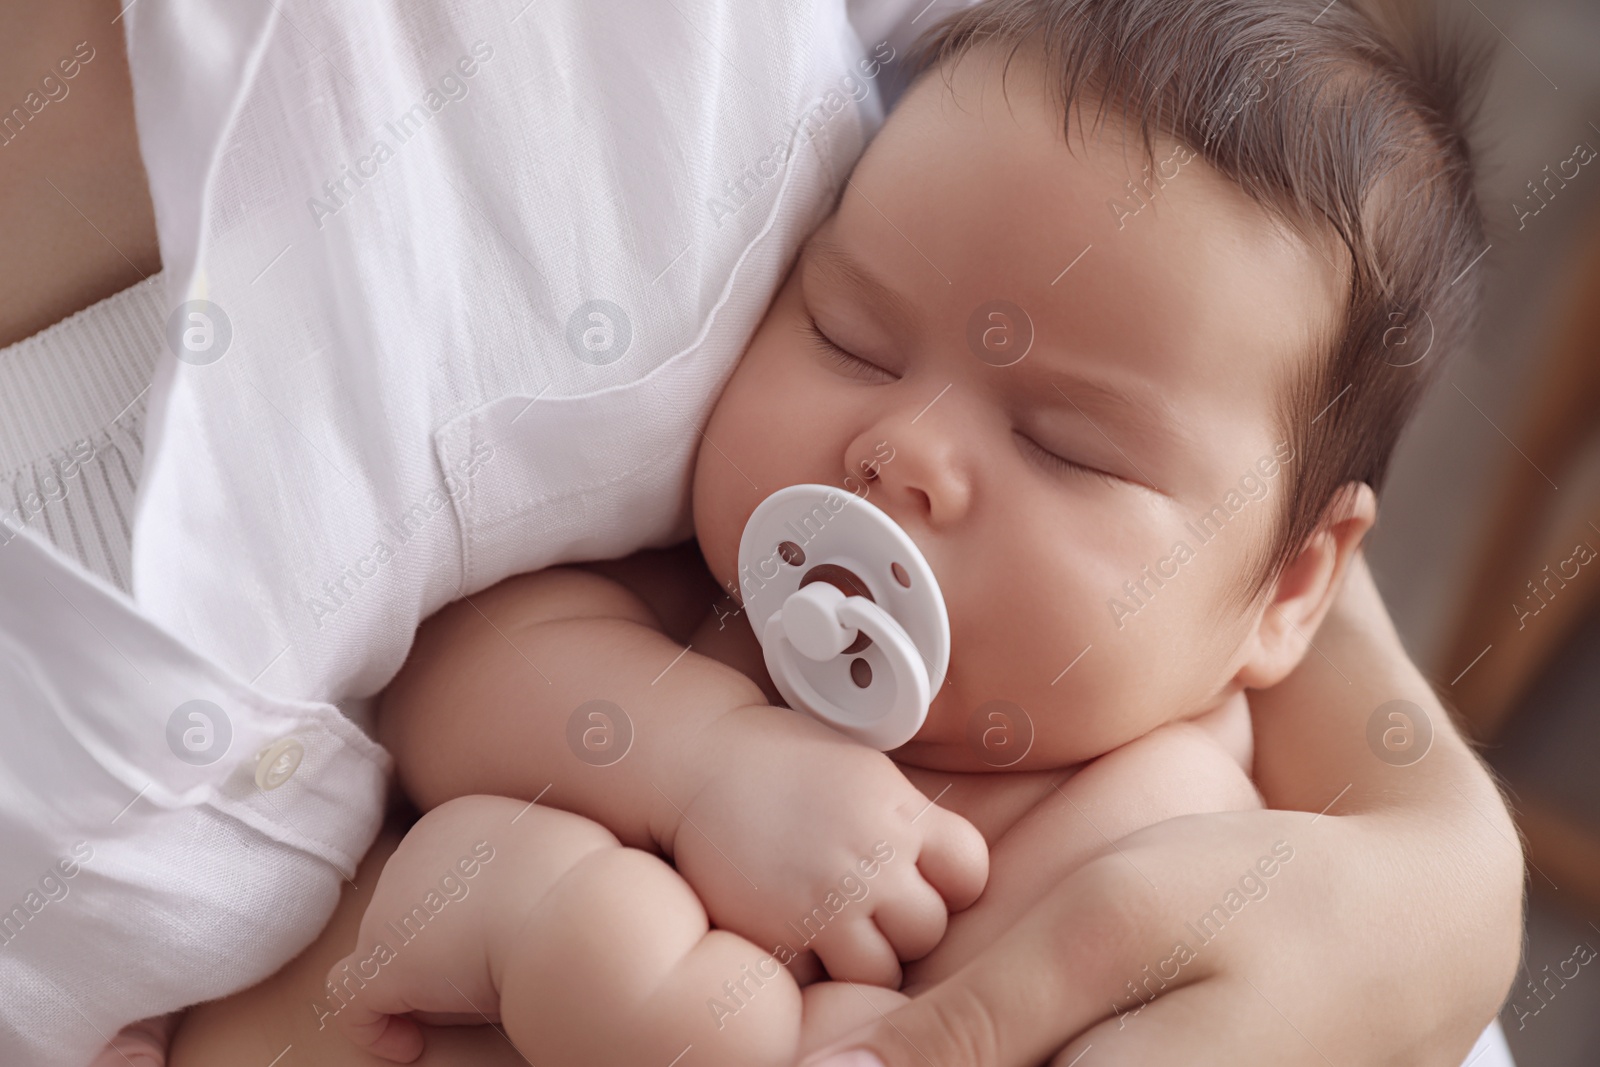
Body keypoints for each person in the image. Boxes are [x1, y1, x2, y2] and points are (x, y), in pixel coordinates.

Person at [0, 2, 1519, 1065]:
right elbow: (459, 682)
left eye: (1065, 442)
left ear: (1296, 583)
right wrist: (701, 756)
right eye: (850, 333)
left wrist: (1456, 874)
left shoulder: (1161, 815)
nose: (903, 451)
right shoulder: (692, 609)